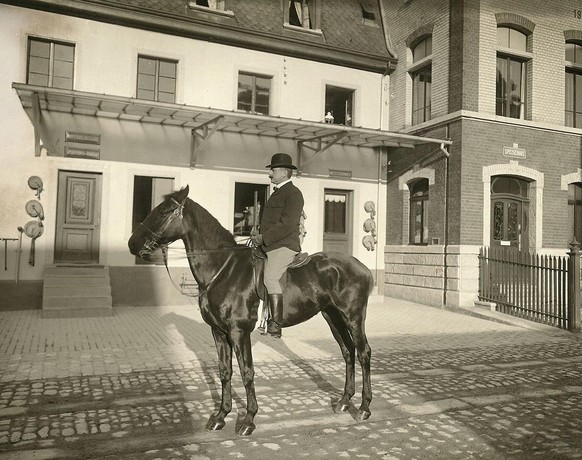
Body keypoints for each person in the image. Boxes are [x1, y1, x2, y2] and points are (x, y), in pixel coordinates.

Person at [251, 153, 304, 338]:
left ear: (283, 172)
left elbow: (287, 224)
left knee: (270, 278)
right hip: (270, 243)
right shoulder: (277, 193)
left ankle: (275, 323)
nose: (270, 174)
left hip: (284, 245)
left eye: (272, 170)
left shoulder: (294, 194)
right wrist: (258, 234)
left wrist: (263, 238)